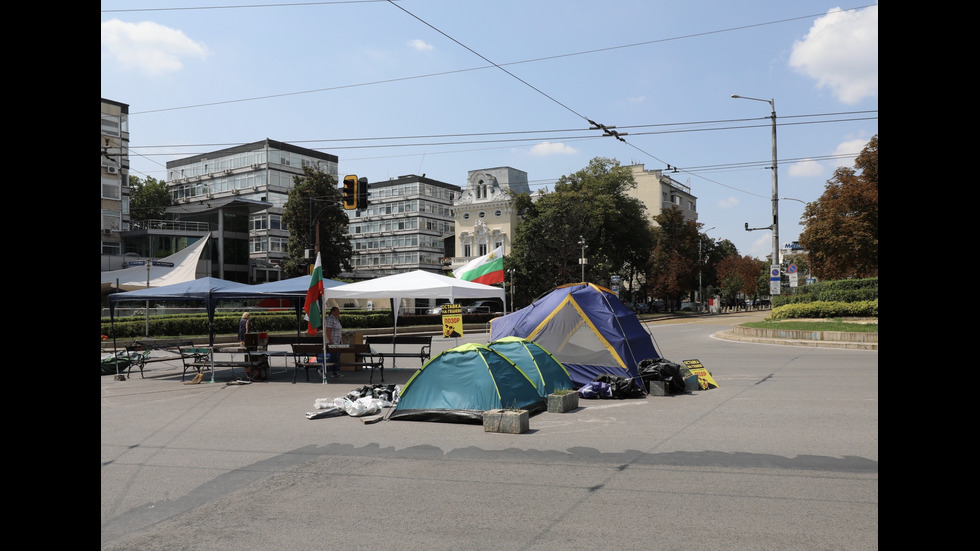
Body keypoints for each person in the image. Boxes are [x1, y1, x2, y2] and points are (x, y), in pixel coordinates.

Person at [323, 307, 343, 378]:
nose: (339, 313)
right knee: (333, 356)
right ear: (333, 312)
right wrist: (330, 339)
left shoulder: (336, 319)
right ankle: (323, 368)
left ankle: (334, 372)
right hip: (333, 341)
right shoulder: (330, 319)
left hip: (338, 341)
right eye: (338, 311)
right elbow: (327, 330)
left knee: (336, 357)